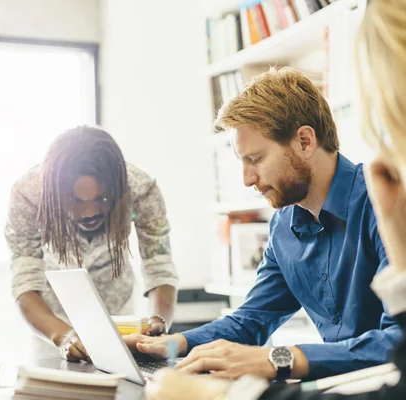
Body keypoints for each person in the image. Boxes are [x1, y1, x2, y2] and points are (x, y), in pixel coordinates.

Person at [146, 1, 406, 398]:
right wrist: (172, 345)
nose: (248, 179)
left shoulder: (385, 202)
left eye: (255, 160)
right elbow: (253, 318)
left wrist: (278, 358)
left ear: (304, 141)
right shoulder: (284, 226)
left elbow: (397, 342)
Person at [5, 126, 179, 361]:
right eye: (75, 200)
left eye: (101, 198)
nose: (88, 212)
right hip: (52, 323)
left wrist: (158, 322)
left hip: (118, 318)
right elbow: (24, 282)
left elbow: (159, 267)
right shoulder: (28, 194)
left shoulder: (140, 189)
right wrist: (64, 336)